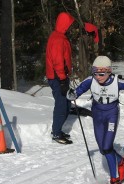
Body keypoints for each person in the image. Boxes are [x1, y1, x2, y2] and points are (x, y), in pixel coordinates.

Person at [66, 56, 124, 184]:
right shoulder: (90, 80)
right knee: (102, 149)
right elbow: (77, 91)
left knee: (107, 147)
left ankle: (115, 183)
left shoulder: (117, 81)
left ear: (109, 72)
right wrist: (72, 94)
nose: (98, 77)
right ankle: (121, 162)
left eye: (102, 73)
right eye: (95, 72)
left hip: (111, 114)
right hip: (97, 114)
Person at [45, 12, 75, 145]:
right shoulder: (58, 39)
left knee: (66, 103)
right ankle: (56, 133)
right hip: (58, 78)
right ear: (64, 25)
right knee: (61, 105)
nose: (71, 28)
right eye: (69, 25)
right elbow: (57, 62)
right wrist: (62, 80)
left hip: (60, 76)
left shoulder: (59, 36)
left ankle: (58, 130)